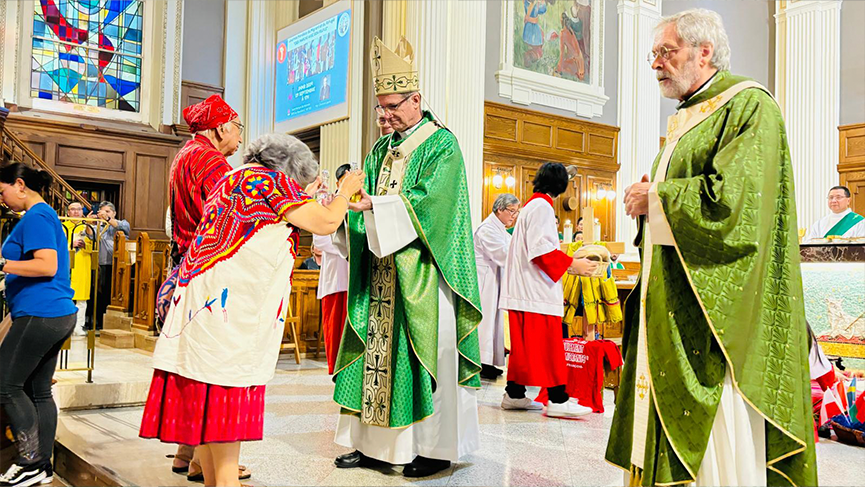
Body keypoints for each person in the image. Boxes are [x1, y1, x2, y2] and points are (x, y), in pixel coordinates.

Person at [608, 9, 816, 486]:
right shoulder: (689, 116)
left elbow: (737, 208)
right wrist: (651, 198)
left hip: (714, 315)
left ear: (704, 52)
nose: (656, 63)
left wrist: (657, 197)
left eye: (667, 51)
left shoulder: (748, 106)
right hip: (673, 297)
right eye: (654, 54)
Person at [139, 133, 364, 487]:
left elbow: (269, 221)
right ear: (291, 170)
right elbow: (324, 223)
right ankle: (227, 483)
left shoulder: (237, 177)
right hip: (231, 313)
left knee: (210, 403)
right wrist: (344, 191)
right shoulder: (269, 182)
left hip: (203, 306)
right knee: (227, 398)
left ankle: (217, 481)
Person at [331, 36, 482, 478]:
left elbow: (434, 204)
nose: (384, 116)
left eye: (393, 107)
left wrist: (374, 207)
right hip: (380, 270)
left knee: (428, 356)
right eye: (380, 108)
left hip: (423, 274)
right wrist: (344, 208)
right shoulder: (379, 148)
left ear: (416, 100)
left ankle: (433, 450)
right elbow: (364, 199)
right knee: (373, 355)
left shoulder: (441, 145)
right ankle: (369, 444)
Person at [159, 94, 244, 481]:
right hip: (207, 272)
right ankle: (211, 463)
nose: (241, 136)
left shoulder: (185, 153)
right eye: (237, 126)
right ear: (221, 127)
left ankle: (187, 454)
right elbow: (231, 212)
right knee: (214, 368)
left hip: (185, 265)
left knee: (193, 364)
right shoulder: (211, 159)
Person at [499, 162, 597, 419]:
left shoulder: (531, 205)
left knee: (523, 350)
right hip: (535, 291)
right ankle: (558, 398)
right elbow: (541, 250)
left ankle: (515, 394)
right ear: (562, 186)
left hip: (523, 290)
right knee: (549, 348)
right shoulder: (542, 207)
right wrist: (575, 264)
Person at [0, 164, 77, 487]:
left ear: (20, 185)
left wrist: (2, 264)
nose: (2, 200)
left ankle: (30, 460)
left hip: (40, 313)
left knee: (5, 385)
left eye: (2, 192)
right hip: (53, 313)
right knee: (39, 391)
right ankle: (42, 465)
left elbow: (47, 265)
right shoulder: (41, 216)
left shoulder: (36, 217)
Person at [474, 193, 520, 380]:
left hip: (495, 279)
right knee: (485, 322)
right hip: (485, 282)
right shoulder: (487, 229)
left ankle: (489, 361)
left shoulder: (499, 228)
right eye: (511, 211)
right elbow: (503, 254)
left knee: (494, 322)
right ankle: (480, 363)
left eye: (516, 212)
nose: (513, 216)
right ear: (499, 209)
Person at [313, 163, 351, 375]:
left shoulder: (358, 202)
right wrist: (349, 247)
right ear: (338, 183)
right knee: (335, 331)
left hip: (355, 278)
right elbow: (320, 240)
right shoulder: (326, 202)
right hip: (336, 277)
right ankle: (336, 371)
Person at [85, 201, 129, 331]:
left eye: (108, 212)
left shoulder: (122, 223)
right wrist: (88, 222)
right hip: (99, 264)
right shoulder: (97, 225)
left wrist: (108, 219)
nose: (104, 215)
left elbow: (123, 227)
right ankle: (95, 321)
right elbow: (89, 234)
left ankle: (108, 323)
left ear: (114, 213)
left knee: (109, 294)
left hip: (117, 266)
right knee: (96, 293)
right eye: (102, 212)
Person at [62, 202, 94, 336]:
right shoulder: (62, 226)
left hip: (82, 263)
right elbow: (56, 244)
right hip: (66, 265)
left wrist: (85, 240)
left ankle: (79, 326)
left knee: (82, 299)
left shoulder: (87, 227)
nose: (76, 212)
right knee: (66, 297)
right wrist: (71, 243)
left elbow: (93, 246)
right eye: (73, 209)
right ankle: (65, 326)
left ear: (83, 212)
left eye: (79, 209)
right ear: (68, 212)